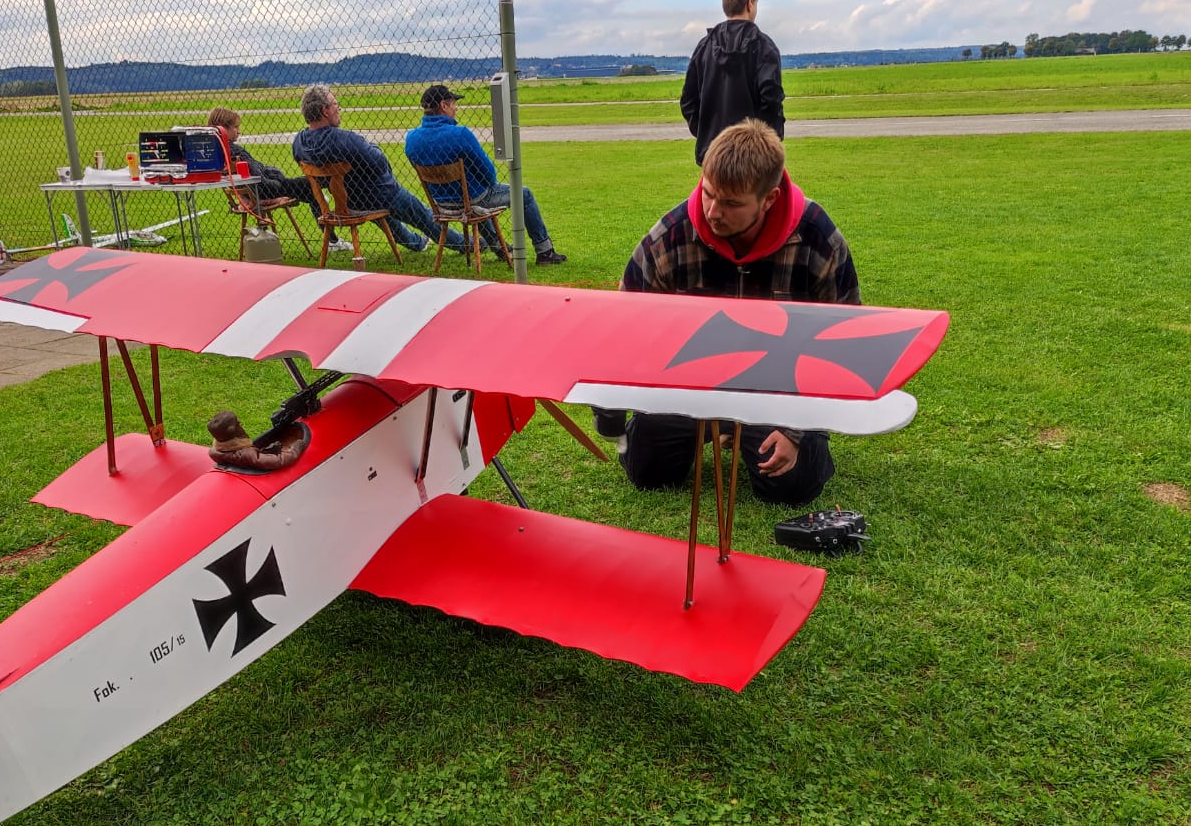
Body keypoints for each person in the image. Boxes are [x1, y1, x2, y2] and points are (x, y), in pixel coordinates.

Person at [602, 118, 858, 508]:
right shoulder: (669, 236)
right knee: (647, 472)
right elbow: (624, 325)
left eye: (732, 203)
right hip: (690, 385)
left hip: (778, 391)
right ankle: (713, 428)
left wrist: (796, 431)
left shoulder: (818, 239)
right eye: (708, 193)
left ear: (769, 199)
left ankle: (763, 435)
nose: (713, 211)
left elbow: (844, 341)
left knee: (791, 487)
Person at [403, 84, 566, 266]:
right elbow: (489, 174)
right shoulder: (460, 134)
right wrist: (482, 184)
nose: (456, 108)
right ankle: (545, 251)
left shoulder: (412, 138)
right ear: (443, 105)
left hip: (441, 204)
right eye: (453, 104)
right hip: (471, 200)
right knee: (523, 194)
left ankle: (500, 247)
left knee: (474, 199)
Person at [290, 85, 464, 254]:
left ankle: (416, 242)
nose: (339, 108)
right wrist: (371, 146)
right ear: (325, 110)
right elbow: (380, 163)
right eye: (335, 104)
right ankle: (465, 244)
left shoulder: (299, 143)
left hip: (350, 201)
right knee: (423, 215)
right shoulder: (345, 140)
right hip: (381, 194)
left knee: (387, 215)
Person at [207, 106, 351, 254]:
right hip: (268, 190)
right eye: (235, 127)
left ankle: (332, 236)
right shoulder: (236, 152)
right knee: (315, 184)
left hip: (254, 191)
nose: (239, 131)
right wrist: (277, 178)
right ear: (223, 128)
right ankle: (334, 235)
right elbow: (261, 179)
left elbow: (258, 172)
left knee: (313, 188)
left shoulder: (216, 151)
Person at [679, 0, 786, 165]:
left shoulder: (704, 47)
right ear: (750, 4)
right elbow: (771, 101)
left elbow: (688, 101)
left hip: (713, 158)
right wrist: (767, 142)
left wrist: (707, 133)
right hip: (754, 160)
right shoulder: (764, 48)